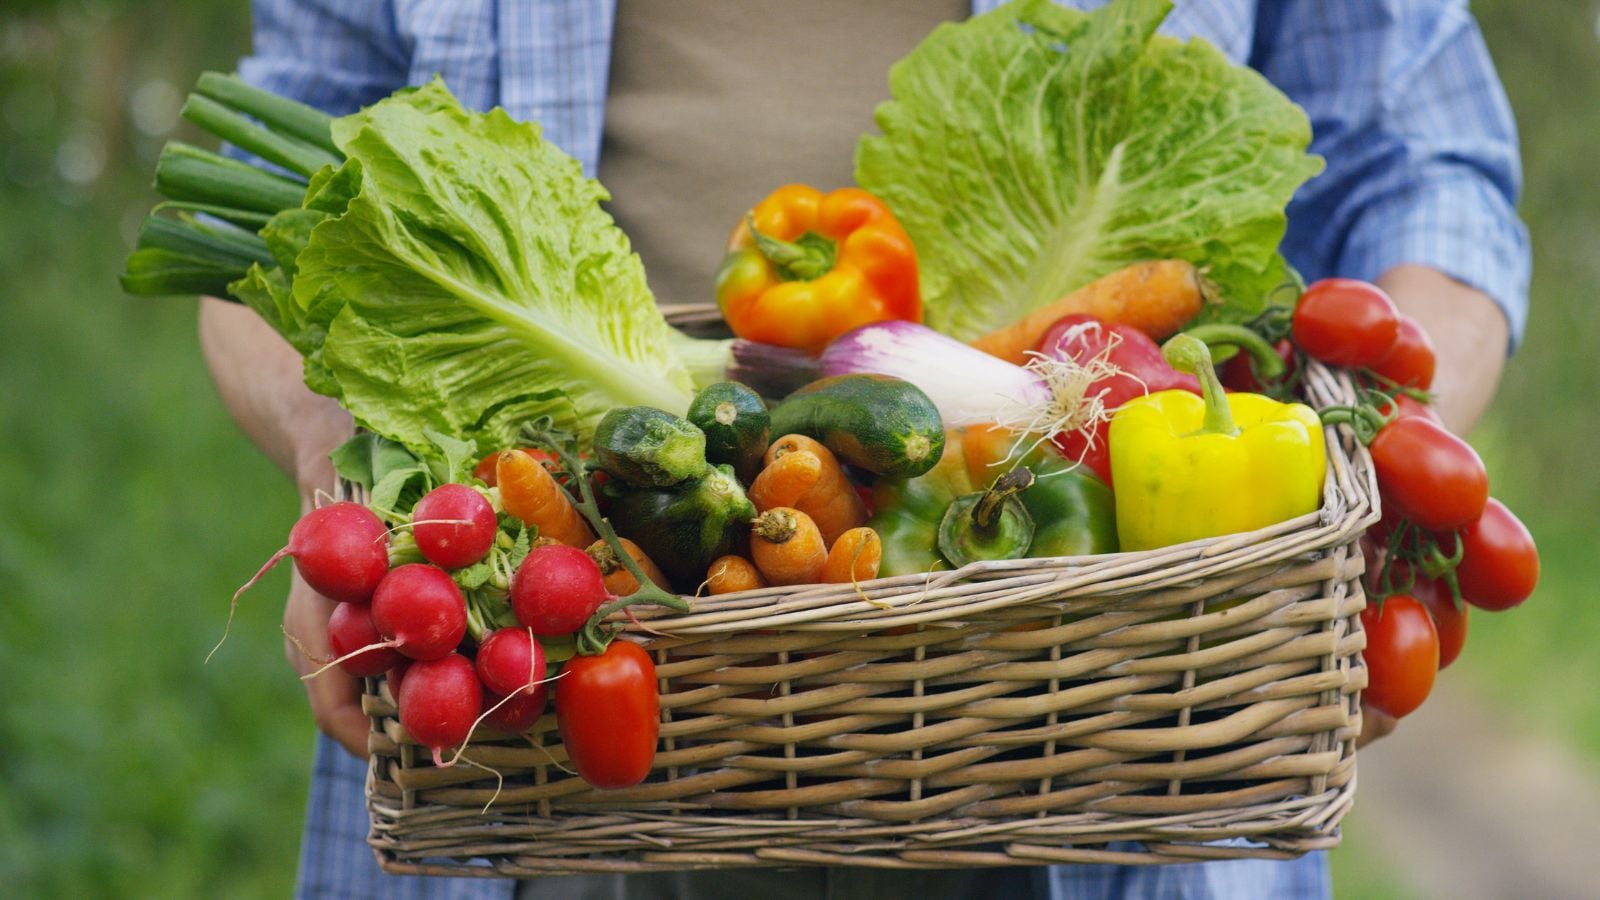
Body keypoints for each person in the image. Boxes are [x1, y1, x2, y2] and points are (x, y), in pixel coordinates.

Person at [199, 1, 1529, 897]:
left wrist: (1378, 460)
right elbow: (285, 207)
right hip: (531, 684)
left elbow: (1426, 155)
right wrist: (351, 490)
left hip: (1117, 735)